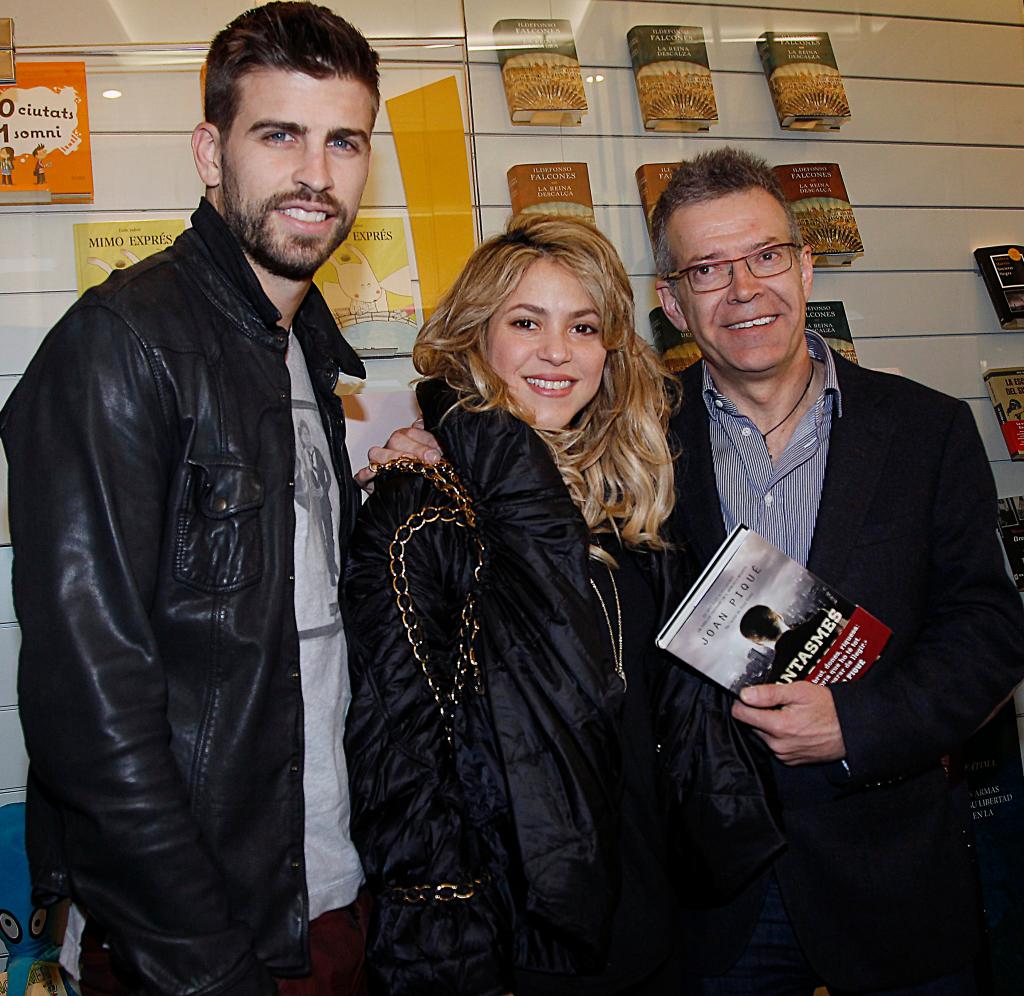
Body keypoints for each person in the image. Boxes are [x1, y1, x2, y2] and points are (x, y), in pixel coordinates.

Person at [1, 4, 380, 993]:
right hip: (194, 941)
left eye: (344, 140)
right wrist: (202, 956)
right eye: (280, 135)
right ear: (212, 152)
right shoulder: (118, 347)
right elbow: (90, 707)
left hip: (327, 900)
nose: (317, 173)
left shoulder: (306, 350)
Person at [344, 215, 783, 996]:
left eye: (583, 326)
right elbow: (403, 766)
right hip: (527, 946)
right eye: (525, 322)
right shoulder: (425, 510)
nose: (557, 351)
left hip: (658, 919)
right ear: (475, 338)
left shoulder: (632, 499)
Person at [649, 147, 1024, 995]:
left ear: (805, 264)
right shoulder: (634, 439)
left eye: (766, 256)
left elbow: (991, 633)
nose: (744, 290)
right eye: (707, 269)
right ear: (671, 302)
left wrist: (856, 725)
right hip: (712, 895)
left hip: (890, 878)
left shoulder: (926, 429)